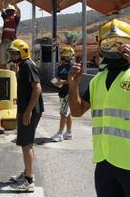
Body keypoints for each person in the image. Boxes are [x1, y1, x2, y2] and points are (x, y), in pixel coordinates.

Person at [68, 19, 130, 197]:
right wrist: (73, 85)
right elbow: (77, 111)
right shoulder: (98, 80)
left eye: (120, 43)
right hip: (105, 162)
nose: (114, 48)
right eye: (108, 43)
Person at [7, 39, 44, 192]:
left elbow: (37, 89)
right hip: (26, 109)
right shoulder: (23, 65)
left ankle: (29, 181)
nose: (12, 55)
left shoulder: (28, 65)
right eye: (11, 52)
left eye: (14, 53)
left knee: (25, 145)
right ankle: (28, 173)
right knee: (28, 143)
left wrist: (28, 111)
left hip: (30, 110)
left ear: (22, 52)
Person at [51, 46, 75, 142]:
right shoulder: (61, 66)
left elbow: (74, 81)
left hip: (69, 93)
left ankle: (60, 133)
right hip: (62, 92)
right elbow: (57, 77)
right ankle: (69, 133)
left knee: (63, 113)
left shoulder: (73, 67)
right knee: (67, 114)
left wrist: (62, 82)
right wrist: (56, 82)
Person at [0, 0, 21, 69]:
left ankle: (13, 76)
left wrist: (14, 4)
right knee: (3, 61)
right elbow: (1, 7)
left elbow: (19, 11)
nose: (9, 12)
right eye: (8, 11)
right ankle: (6, 77)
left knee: (12, 61)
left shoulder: (15, 19)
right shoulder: (5, 17)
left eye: (10, 11)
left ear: (13, 11)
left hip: (11, 42)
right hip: (4, 41)